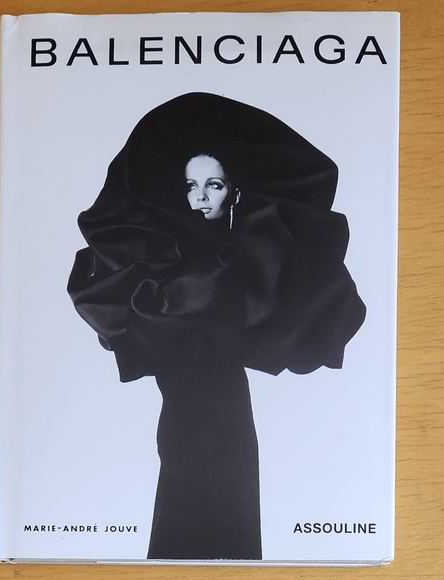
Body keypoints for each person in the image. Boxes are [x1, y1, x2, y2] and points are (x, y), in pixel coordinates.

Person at [67, 92, 366, 560]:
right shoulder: (166, 263)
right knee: (191, 487)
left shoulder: (250, 254)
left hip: (227, 405)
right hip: (188, 404)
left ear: (235, 192)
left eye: (214, 185)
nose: (201, 197)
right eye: (191, 186)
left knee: (226, 486)